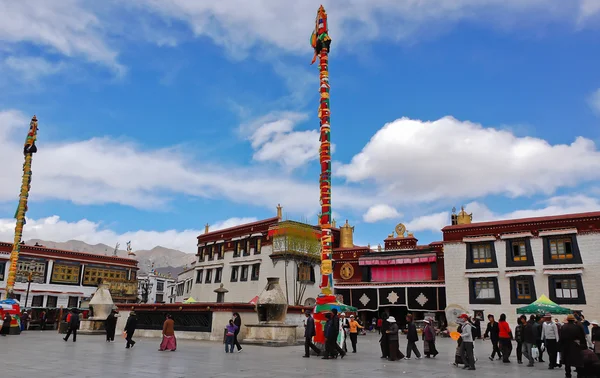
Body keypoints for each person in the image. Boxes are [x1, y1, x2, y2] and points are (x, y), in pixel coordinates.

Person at [561, 314, 587, 378]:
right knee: (577, 360)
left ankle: (568, 374)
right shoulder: (577, 327)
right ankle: (579, 374)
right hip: (575, 345)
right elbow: (581, 337)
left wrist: (560, 346)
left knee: (567, 362)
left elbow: (561, 337)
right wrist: (584, 345)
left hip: (566, 346)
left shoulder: (563, 327)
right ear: (573, 320)